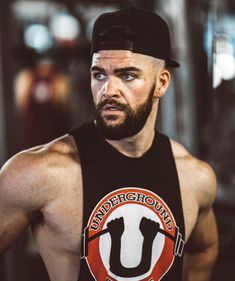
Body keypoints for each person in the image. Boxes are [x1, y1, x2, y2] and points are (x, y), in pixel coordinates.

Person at [0, 7, 218, 281]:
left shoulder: (194, 178)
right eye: (99, 74)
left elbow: (204, 249)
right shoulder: (37, 173)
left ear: (161, 83)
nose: (108, 90)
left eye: (127, 75)